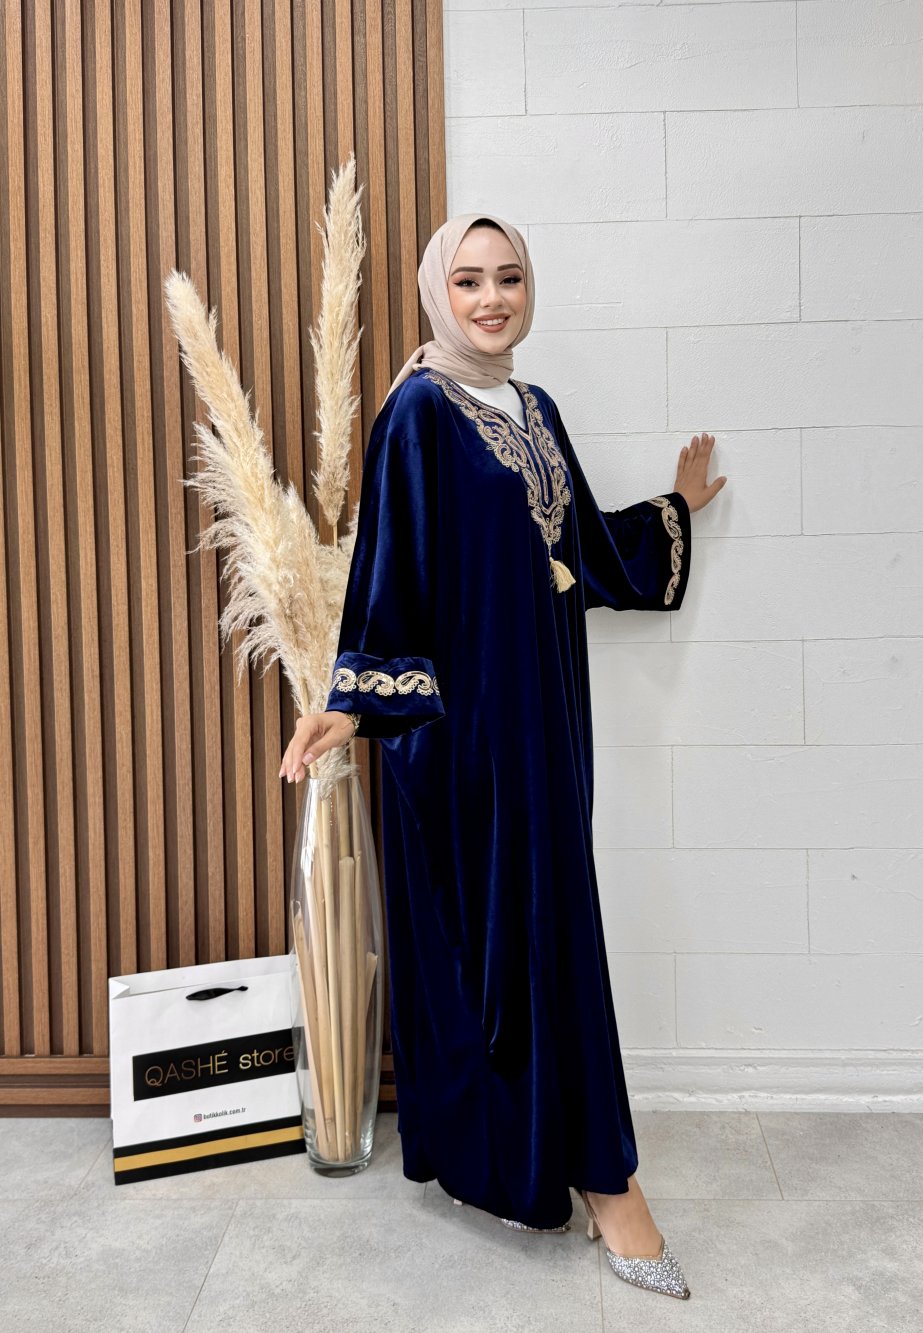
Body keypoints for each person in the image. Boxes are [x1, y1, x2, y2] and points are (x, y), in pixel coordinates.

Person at [279, 212, 726, 1298]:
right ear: (439, 292)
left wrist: (674, 510)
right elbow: (390, 571)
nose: (490, 299)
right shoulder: (417, 412)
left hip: (549, 720)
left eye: (509, 278)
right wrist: (353, 704)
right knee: (507, 942)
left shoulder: (537, 408)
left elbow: (581, 549)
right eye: (469, 280)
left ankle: (571, 1158)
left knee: (552, 925)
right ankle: (607, 1183)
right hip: (465, 733)